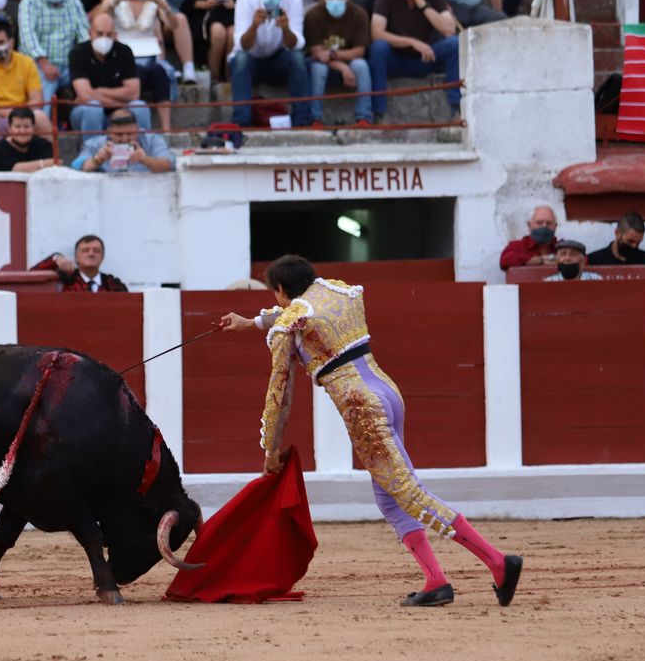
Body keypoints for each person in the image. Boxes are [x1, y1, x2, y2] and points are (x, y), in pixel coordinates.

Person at [220, 254, 524, 608]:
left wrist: (270, 450)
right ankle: (435, 580)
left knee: (409, 493)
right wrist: (252, 323)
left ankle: (498, 562)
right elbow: (296, 314)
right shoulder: (337, 293)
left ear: (282, 290)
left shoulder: (291, 322)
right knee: (389, 497)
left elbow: (280, 392)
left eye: (276, 294)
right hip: (387, 391)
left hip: (362, 407)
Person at [367, 0, 459, 123]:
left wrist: (421, 2)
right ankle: (378, 113)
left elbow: (449, 29)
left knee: (454, 44)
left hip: (428, 57)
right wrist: (412, 42)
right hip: (397, 58)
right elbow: (377, 33)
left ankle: (456, 109)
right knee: (378, 48)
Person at [230, 0, 309, 128]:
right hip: (251, 60)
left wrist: (286, 29)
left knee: (298, 59)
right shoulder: (245, 0)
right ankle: (241, 122)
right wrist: (254, 26)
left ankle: (301, 120)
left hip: (277, 61)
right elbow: (241, 46)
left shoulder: (294, 0)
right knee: (241, 59)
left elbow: (297, 44)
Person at [303, 0, 372, 126]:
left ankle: (364, 117)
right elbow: (317, 54)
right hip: (320, 63)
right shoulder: (313, 16)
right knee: (318, 68)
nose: (335, 1)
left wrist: (334, 55)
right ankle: (315, 118)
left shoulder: (359, 14)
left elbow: (359, 51)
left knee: (361, 65)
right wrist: (342, 67)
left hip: (348, 61)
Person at [19, 0, 89, 101]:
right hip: (38, 65)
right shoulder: (29, 2)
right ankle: (43, 121)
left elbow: (84, 36)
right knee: (45, 84)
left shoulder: (74, 3)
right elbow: (28, 37)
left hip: (69, 65)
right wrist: (44, 64)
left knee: (93, 79)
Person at [69, 12, 146, 131]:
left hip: (120, 112)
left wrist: (99, 91)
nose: (104, 38)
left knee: (140, 107)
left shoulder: (124, 51)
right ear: (90, 33)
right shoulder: (78, 53)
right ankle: (91, 147)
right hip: (88, 112)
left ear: (115, 35)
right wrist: (117, 103)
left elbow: (134, 93)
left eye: (109, 34)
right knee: (93, 107)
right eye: (99, 34)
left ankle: (141, 146)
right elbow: (85, 96)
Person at [0, 19, 47, 134]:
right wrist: (10, 113)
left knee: (41, 118)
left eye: (0, 43)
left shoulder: (27, 62)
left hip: (23, 114)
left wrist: (18, 114)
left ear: (11, 43)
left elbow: (37, 100)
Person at [72, 106, 172, 173]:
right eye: (118, 134)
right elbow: (76, 165)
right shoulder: (94, 144)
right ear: (109, 132)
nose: (124, 139)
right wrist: (97, 159)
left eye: (129, 133)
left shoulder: (153, 140)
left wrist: (146, 160)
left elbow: (168, 164)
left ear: (137, 129)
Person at [35, 234, 127, 291]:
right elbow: (32, 278)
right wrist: (56, 258)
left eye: (96, 250)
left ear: (102, 257)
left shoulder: (113, 284)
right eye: (85, 250)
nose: (91, 254)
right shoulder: (66, 280)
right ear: (76, 257)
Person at [0, 106, 56, 172]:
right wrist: (43, 164)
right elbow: (13, 169)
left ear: (33, 128)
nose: (22, 131)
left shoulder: (41, 144)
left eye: (27, 126)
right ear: (9, 129)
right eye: (17, 127)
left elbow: (56, 161)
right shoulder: (0, 148)